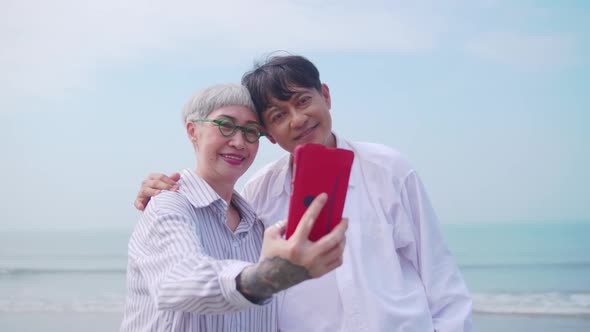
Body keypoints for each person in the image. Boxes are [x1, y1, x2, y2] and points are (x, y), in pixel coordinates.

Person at [136, 55, 473, 331]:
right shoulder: (259, 194)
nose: (297, 120)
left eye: (303, 101)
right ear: (268, 134)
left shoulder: (389, 169)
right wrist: (162, 189)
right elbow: (204, 260)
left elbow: (441, 280)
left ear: (325, 95)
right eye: (278, 115)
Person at [121, 83, 348, 332]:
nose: (239, 142)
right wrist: (268, 276)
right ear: (192, 130)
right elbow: (178, 281)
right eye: (226, 126)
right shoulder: (169, 204)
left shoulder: (256, 224)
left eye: (251, 131)